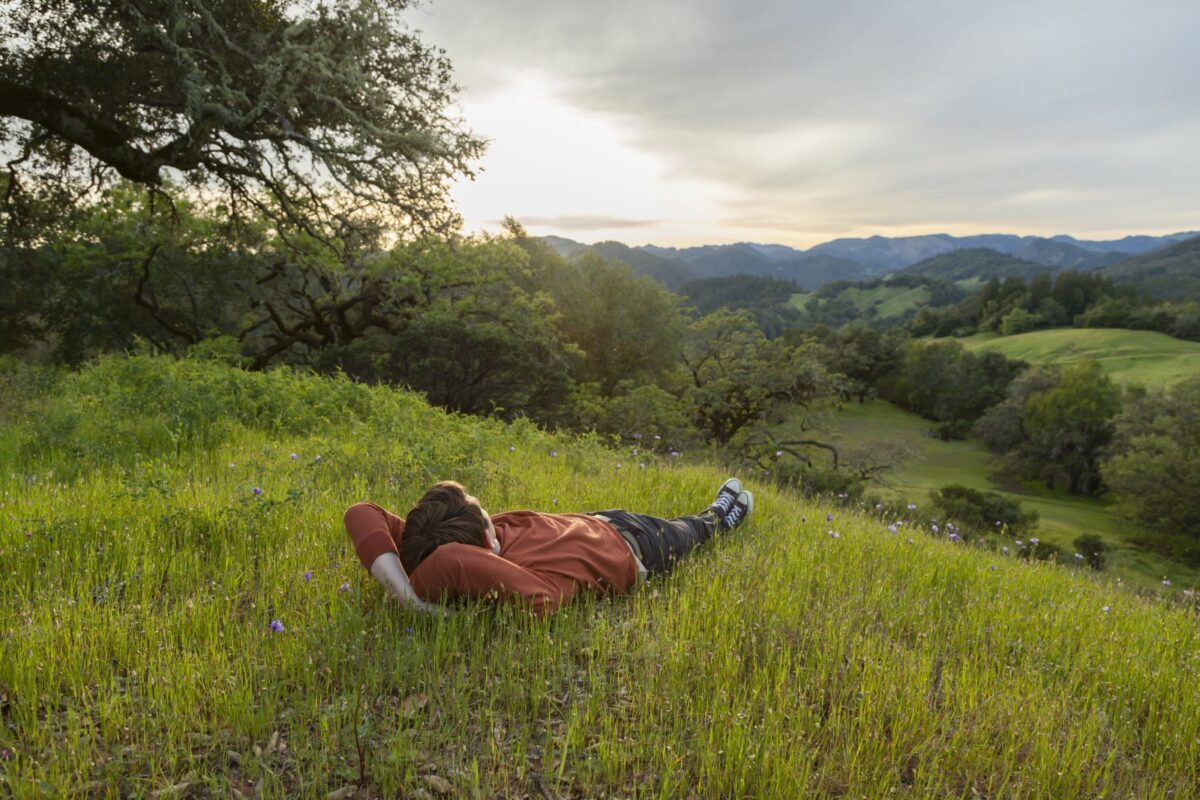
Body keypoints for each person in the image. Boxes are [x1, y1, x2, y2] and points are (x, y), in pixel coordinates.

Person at [343, 478, 754, 616]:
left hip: (599, 519)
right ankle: (721, 517)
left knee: (677, 523)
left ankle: (716, 514)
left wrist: (400, 587)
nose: (494, 519)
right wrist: (415, 601)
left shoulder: (434, 541)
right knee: (693, 531)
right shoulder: (518, 582)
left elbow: (360, 512)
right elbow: (450, 561)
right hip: (638, 549)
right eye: (487, 518)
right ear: (480, 547)